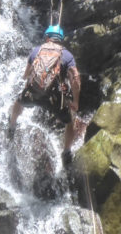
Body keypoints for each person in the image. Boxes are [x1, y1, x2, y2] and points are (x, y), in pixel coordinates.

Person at [7, 24, 81, 164]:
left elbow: (26, 75)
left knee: (18, 102)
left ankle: (11, 125)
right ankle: (66, 152)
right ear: (61, 39)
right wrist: (75, 101)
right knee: (70, 121)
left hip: (34, 93)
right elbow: (75, 79)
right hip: (55, 98)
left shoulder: (37, 50)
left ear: (47, 37)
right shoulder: (67, 55)